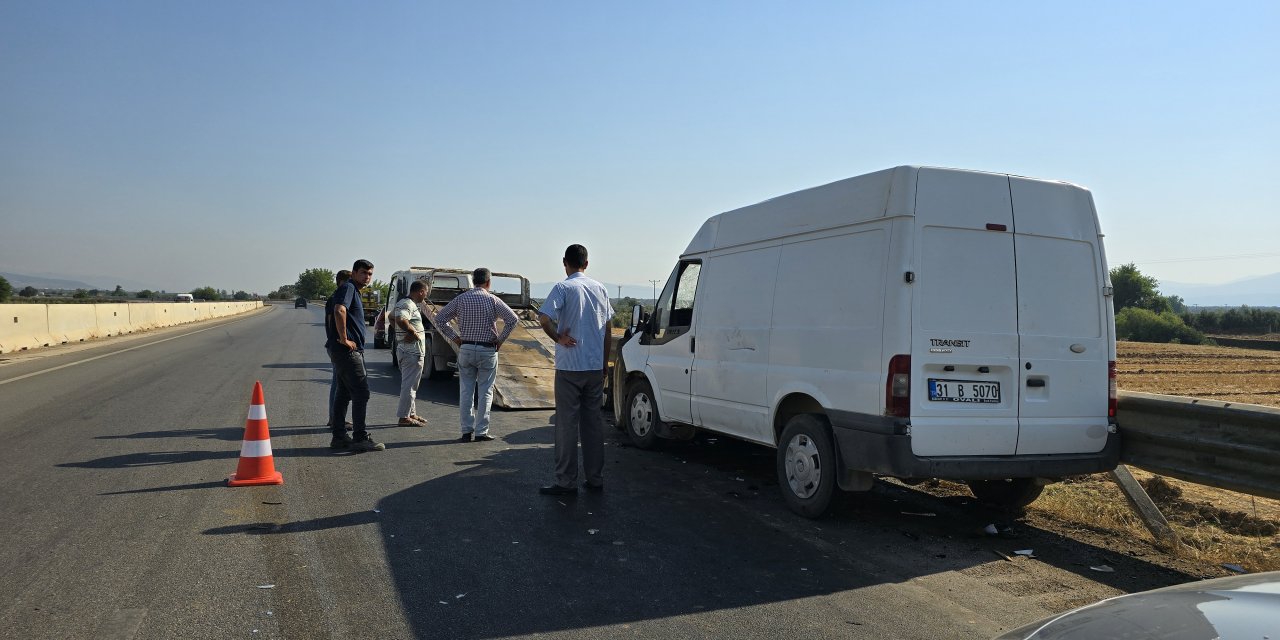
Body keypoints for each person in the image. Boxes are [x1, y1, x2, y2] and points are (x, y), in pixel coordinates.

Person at [537, 245, 613, 494]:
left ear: (564, 262)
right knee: (593, 424)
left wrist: (558, 338)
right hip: (594, 366)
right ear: (587, 264)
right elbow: (608, 328)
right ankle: (596, 478)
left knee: (567, 424)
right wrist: (603, 363)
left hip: (570, 366)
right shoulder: (600, 288)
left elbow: (544, 318)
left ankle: (566, 481)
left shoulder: (563, 287)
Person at [434, 268, 519, 442]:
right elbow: (513, 319)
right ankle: (481, 431)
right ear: (488, 282)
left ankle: (466, 431)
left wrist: (455, 338)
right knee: (486, 391)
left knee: (466, 391)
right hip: (487, 349)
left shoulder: (461, 299)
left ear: (473, 281)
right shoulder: (493, 300)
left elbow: (440, 318)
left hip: (465, 348)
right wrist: (500, 340)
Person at [325, 259, 384, 452]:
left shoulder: (353, 290)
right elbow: (339, 309)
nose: (367, 277)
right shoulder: (349, 288)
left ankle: (340, 437)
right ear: (353, 273)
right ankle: (360, 437)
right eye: (363, 273)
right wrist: (344, 339)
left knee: (343, 393)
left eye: (370, 274)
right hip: (347, 351)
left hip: (342, 351)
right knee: (361, 392)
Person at [393, 280, 429, 427]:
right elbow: (400, 319)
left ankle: (411, 413)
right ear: (420, 291)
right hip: (411, 352)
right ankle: (404, 417)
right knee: (409, 386)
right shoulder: (408, 304)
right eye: (426, 292)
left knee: (412, 385)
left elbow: (391, 317)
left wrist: (406, 331)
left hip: (409, 351)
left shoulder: (406, 303)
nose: (426, 296)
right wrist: (411, 332)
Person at [326, 270, 353, 431]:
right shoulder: (336, 299)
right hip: (337, 346)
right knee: (338, 384)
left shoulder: (338, 298)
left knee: (338, 383)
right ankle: (335, 419)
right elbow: (332, 321)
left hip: (334, 345)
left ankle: (334, 418)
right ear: (342, 282)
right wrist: (342, 340)